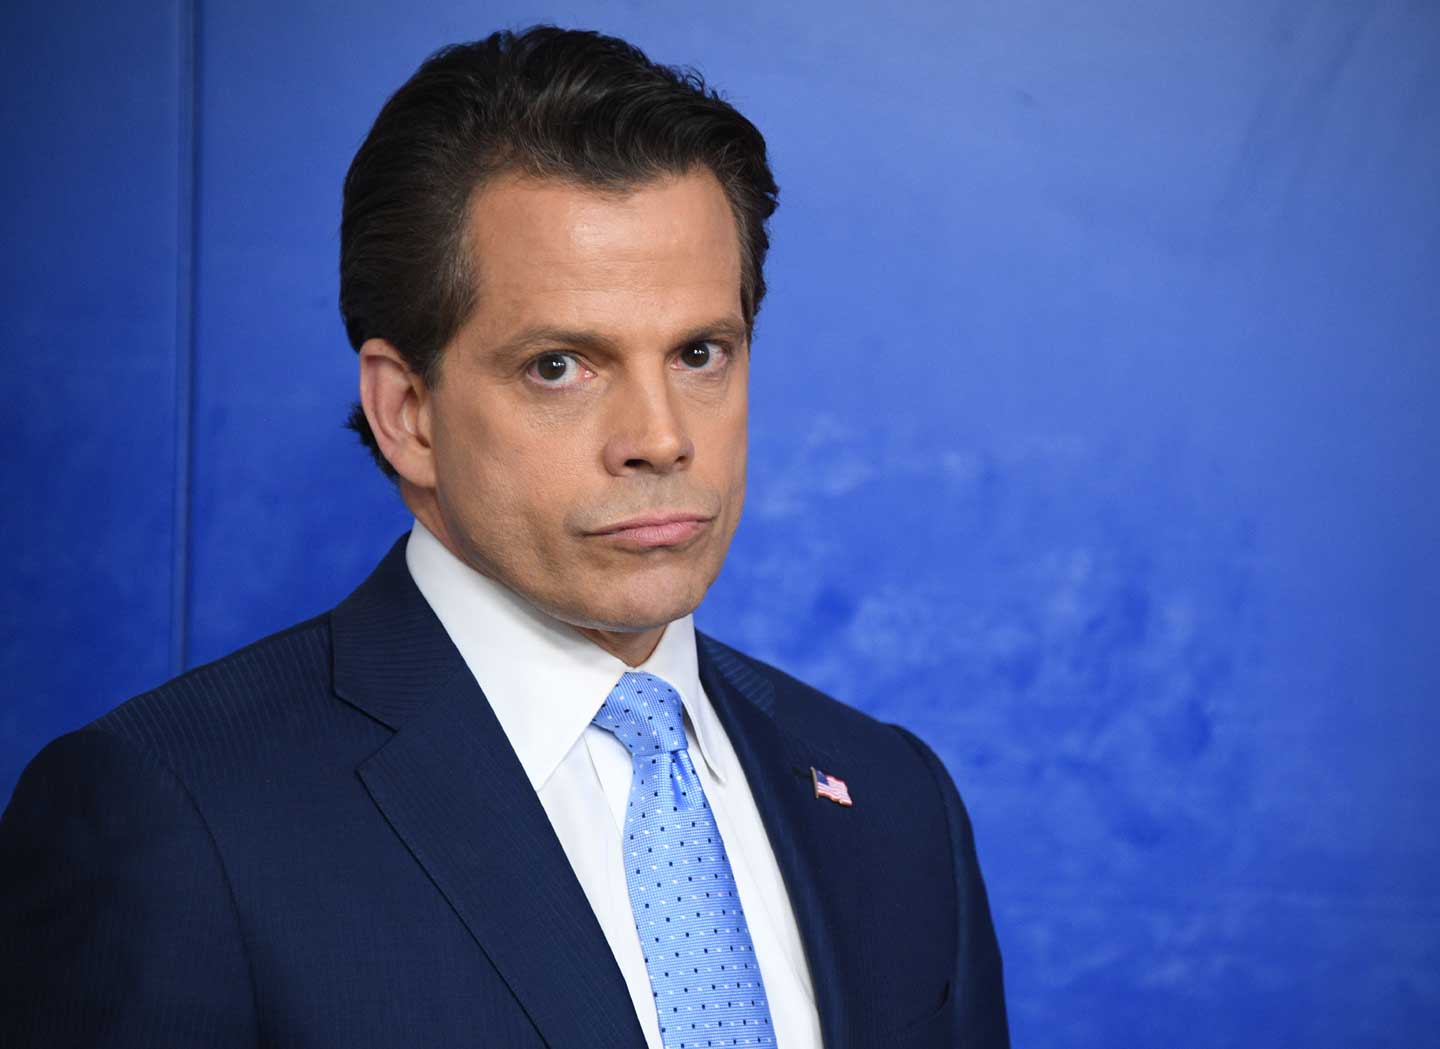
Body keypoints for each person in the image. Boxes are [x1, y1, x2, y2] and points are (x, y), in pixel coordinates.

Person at [0, 26, 1007, 1049]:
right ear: (408, 413)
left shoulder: (891, 797)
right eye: (561, 365)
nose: (661, 437)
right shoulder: (174, 817)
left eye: (701, 352)